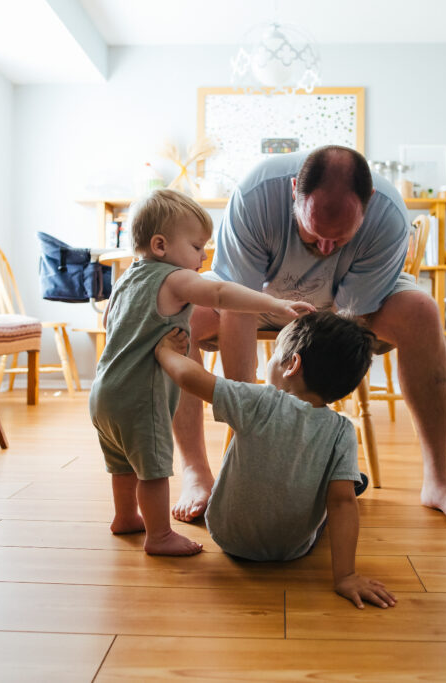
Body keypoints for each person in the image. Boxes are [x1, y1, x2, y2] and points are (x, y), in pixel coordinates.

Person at [171, 145, 446, 532]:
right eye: (314, 233)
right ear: (294, 191)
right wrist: (251, 424)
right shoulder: (255, 195)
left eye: (338, 240)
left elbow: (344, 325)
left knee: (422, 311)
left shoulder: (387, 215)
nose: (324, 249)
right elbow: (239, 310)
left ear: (367, 203)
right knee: (177, 312)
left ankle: (439, 479)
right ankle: (196, 473)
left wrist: (307, 427)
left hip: (341, 309)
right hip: (253, 297)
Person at [88, 188, 315, 556]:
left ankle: (125, 516)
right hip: (140, 397)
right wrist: (276, 303)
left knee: (122, 462)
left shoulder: (126, 280)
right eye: (196, 247)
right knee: (154, 469)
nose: (204, 255)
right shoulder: (174, 278)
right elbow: (222, 294)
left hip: (104, 393)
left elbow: (117, 325)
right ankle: (159, 535)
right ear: (160, 245)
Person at [155, 313, 397, 609]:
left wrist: (164, 351)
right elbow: (342, 505)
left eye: (274, 356)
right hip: (292, 549)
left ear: (292, 364)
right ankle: (348, 479)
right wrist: (346, 576)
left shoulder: (258, 401)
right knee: (345, 492)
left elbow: (188, 377)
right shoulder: (341, 430)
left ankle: (346, 478)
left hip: (227, 535)